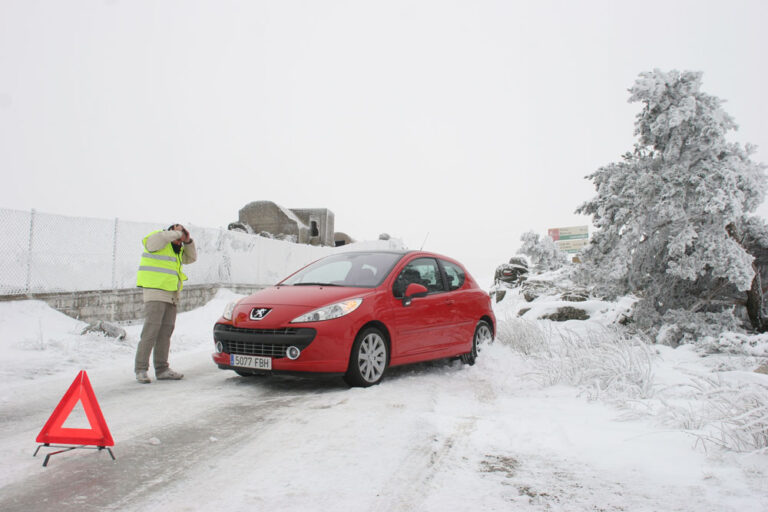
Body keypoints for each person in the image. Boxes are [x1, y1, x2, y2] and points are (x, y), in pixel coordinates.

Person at [134, 224, 197, 383]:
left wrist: (188, 241)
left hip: (171, 295)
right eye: (176, 230)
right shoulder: (157, 241)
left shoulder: (177, 251)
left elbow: (192, 258)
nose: (179, 234)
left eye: (181, 231)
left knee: (165, 333)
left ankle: (162, 369)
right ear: (170, 231)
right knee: (150, 332)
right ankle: (141, 369)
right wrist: (176, 233)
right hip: (155, 293)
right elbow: (160, 238)